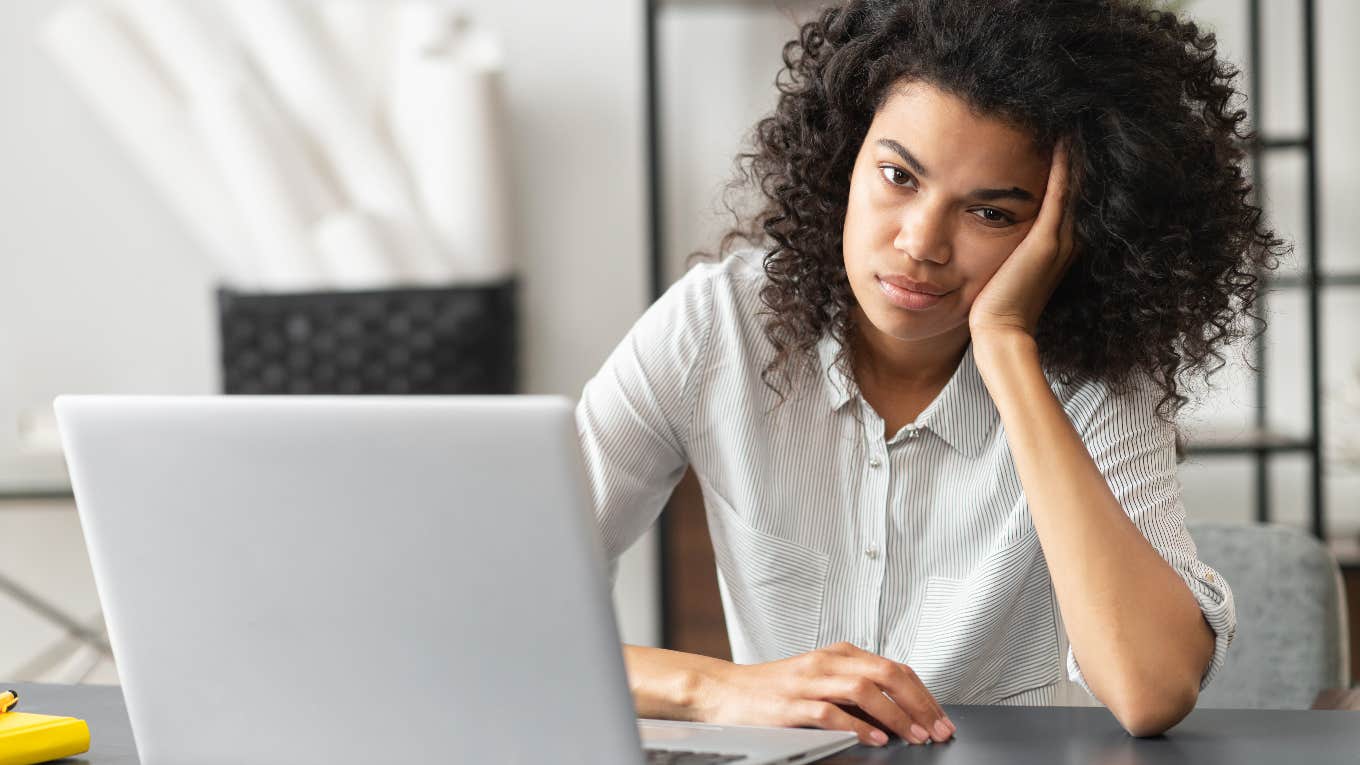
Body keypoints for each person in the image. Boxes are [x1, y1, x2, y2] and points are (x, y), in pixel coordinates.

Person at [576, 0, 1285, 747]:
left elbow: (1151, 689)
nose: (920, 243)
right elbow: (489, 610)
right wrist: (715, 688)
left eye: (992, 214)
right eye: (897, 176)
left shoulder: (1094, 380)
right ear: (844, 155)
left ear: (1073, 233)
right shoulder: (715, 327)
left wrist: (1008, 346)